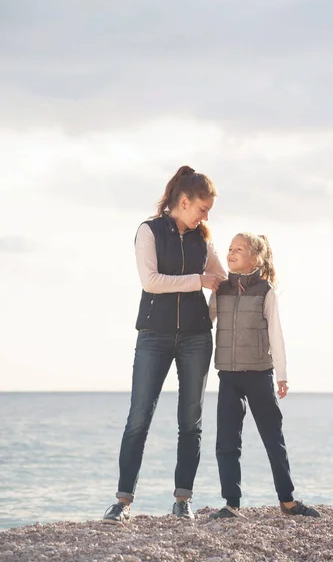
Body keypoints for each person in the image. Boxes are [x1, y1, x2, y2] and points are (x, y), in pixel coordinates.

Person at [103, 166, 226, 525]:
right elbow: (151, 281)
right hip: (153, 337)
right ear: (183, 201)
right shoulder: (149, 231)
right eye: (203, 208)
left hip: (197, 338)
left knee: (191, 421)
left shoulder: (204, 237)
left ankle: (182, 499)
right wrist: (197, 282)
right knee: (138, 418)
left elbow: (219, 280)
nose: (206, 216)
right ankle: (123, 502)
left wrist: (217, 309)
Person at [208, 232, 320, 519]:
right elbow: (204, 321)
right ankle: (231, 504)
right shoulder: (220, 289)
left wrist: (281, 375)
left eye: (239, 249)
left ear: (254, 258)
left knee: (273, 438)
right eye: (230, 248)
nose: (231, 253)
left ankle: (288, 501)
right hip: (228, 376)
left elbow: (275, 334)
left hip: (259, 375)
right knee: (227, 442)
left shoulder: (265, 291)